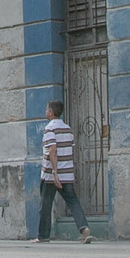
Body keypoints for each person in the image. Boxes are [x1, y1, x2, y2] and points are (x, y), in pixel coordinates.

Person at [36, 100, 92, 243]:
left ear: (50, 112)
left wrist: (55, 173)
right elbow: (70, 149)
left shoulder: (49, 129)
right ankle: (84, 229)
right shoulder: (68, 129)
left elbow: (53, 151)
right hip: (67, 173)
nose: (45, 111)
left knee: (45, 205)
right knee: (73, 202)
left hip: (51, 175)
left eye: (46, 109)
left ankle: (43, 236)